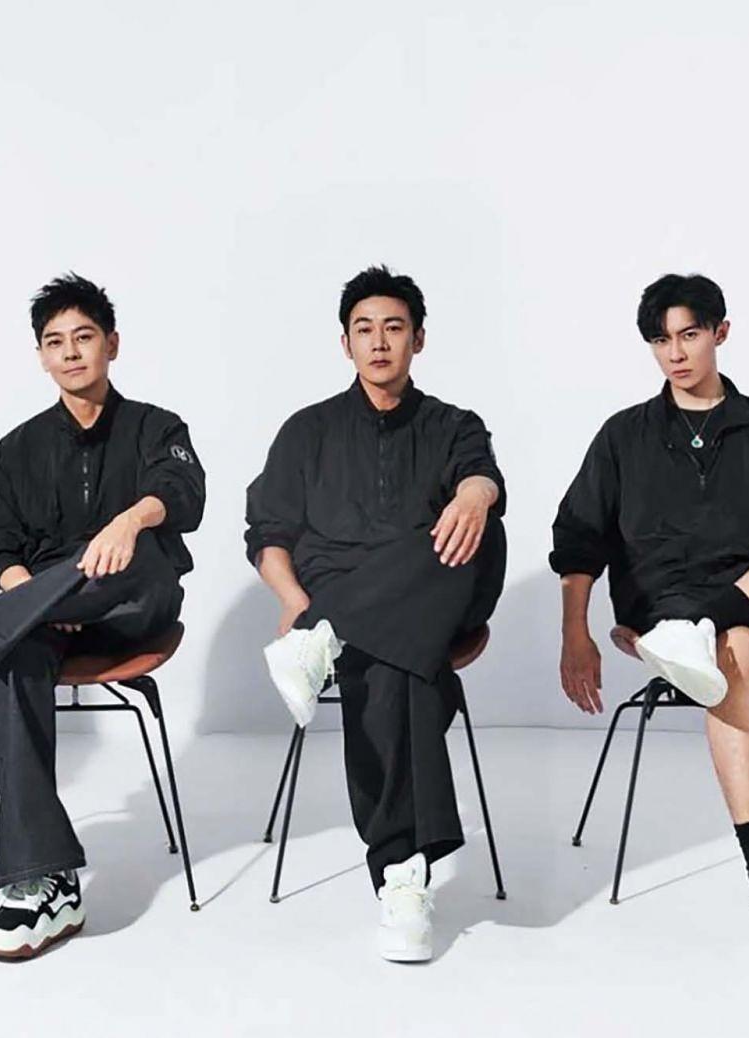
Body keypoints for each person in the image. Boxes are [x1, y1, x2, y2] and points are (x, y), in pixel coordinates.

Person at [550, 273, 749, 978]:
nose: (675, 353)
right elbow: (578, 540)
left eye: (689, 335)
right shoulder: (624, 436)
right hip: (661, 602)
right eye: (661, 341)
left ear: (720, 332)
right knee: (734, 657)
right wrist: (576, 633)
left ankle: (707, 623)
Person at [0, 273, 204, 961]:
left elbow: (184, 494)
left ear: (112, 344)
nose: (71, 352)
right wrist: (37, 600)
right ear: (40, 357)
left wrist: (128, 522)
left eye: (84, 337)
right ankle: (42, 882)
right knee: (7, 662)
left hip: (135, 607)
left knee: (140, 550)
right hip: (46, 621)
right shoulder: (19, 448)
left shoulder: (156, 426)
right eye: (56, 342)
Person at [245, 265, 506, 963]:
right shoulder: (307, 431)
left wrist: (475, 494)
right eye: (365, 329)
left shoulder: (453, 424)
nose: (380, 342)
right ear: (346, 344)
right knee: (401, 666)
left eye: (394, 327)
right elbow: (267, 534)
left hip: (437, 587)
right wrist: (296, 602)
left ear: (418, 339)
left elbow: (482, 474)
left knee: (473, 533)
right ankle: (404, 873)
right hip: (354, 602)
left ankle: (324, 636)